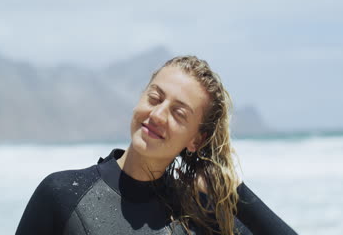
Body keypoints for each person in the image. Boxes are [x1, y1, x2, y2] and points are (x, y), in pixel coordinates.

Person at [16, 56, 297, 235]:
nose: (158, 115)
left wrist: (234, 192)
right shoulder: (63, 195)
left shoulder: (200, 217)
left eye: (179, 113)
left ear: (195, 140)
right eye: (155, 97)